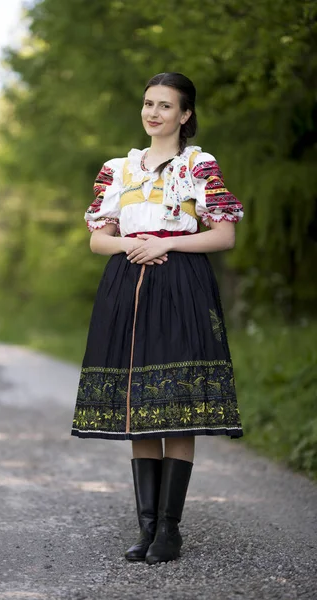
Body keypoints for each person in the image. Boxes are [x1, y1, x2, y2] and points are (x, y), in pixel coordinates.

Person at [71, 72, 244, 565]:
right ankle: (146, 529)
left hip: (182, 284)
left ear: (184, 115)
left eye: (166, 106)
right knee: (139, 405)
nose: (153, 113)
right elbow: (97, 238)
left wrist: (165, 242)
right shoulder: (117, 169)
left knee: (176, 403)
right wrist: (134, 244)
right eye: (149, 103)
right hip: (127, 285)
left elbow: (223, 235)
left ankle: (170, 531)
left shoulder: (197, 166)